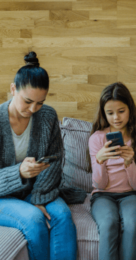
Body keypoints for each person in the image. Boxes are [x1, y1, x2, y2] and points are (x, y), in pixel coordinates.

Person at [0, 52, 86, 260]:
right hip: (3, 196)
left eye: (39, 102)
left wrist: (39, 196)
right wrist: (18, 172)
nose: (33, 109)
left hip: (36, 190)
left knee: (63, 216)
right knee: (33, 218)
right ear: (13, 89)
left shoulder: (47, 116)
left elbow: (55, 160)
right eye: (28, 101)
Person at [88, 82, 136, 260]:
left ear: (130, 109)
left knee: (134, 221)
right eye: (110, 113)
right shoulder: (97, 139)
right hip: (102, 194)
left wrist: (130, 163)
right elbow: (99, 184)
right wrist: (99, 160)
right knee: (108, 223)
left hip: (131, 194)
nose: (116, 118)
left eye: (121, 111)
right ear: (103, 113)